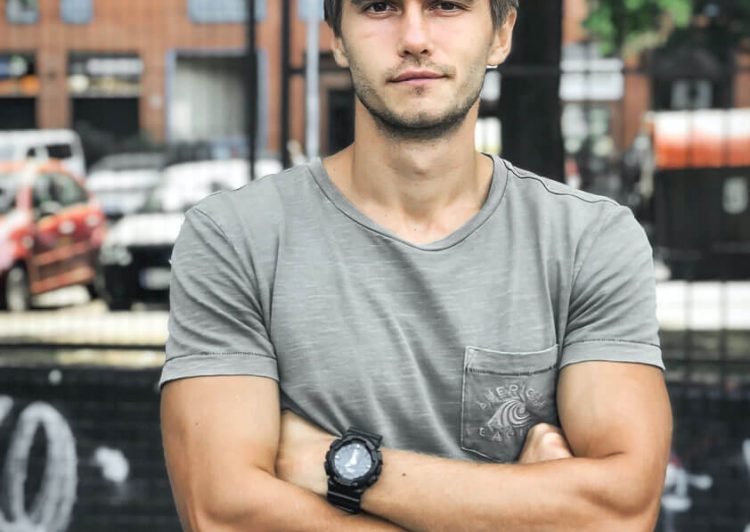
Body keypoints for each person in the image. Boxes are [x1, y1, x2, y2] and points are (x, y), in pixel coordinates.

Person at [160, 0, 672, 530]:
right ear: (337, 38)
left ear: (501, 34)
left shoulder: (589, 240)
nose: (414, 38)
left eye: (446, 6)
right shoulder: (236, 237)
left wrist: (337, 463)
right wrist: (527, 508)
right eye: (379, 7)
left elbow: (621, 510)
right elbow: (224, 514)